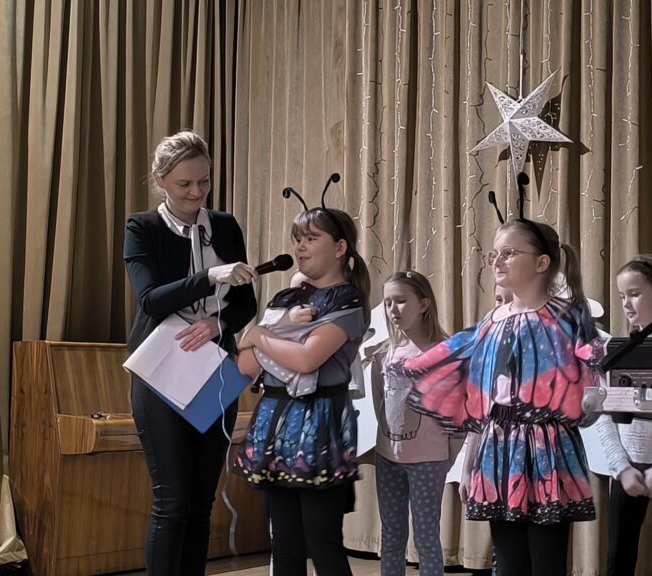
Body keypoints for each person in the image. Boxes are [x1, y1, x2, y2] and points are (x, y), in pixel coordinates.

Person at [393, 218, 602, 576]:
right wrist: (468, 464)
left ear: (542, 263)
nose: (498, 261)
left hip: (548, 450)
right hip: (499, 450)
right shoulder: (492, 321)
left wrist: (581, 402)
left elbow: (592, 385)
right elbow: (479, 399)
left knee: (547, 560)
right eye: (495, 254)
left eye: (509, 253)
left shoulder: (567, 317)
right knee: (507, 561)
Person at [123, 131, 258, 575]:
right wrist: (210, 277)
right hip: (162, 369)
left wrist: (219, 323)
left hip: (214, 367)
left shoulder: (225, 225)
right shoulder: (141, 228)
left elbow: (246, 301)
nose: (197, 192)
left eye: (204, 181)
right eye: (184, 184)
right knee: (173, 501)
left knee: (201, 502)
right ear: (159, 180)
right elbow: (151, 301)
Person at [235, 204, 370, 576]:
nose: (300, 247)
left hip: (319, 425)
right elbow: (245, 366)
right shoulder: (285, 300)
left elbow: (307, 359)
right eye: (298, 239)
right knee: (284, 543)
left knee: (322, 541)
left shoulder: (347, 300)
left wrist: (259, 334)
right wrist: (263, 336)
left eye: (311, 238)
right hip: (276, 423)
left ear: (340, 247)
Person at [600, 255, 652, 576]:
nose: (626, 303)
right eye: (622, 296)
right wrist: (622, 468)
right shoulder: (618, 350)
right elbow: (604, 415)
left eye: (634, 294)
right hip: (627, 471)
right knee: (618, 560)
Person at [371, 271, 459, 576]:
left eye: (401, 301)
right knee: (391, 536)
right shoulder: (386, 352)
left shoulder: (445, 352)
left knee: (426, 537)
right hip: (388, 458)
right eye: (388, 302)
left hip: (428, 460)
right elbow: (381, 400)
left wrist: (448, 456)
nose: (393, 309)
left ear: (423, 304)